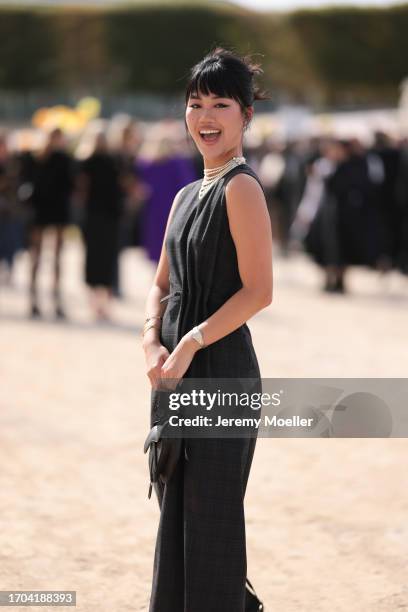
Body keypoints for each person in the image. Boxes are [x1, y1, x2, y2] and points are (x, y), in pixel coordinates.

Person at [142, 47, 273, 611]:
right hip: (173, 374)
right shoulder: (183, 195)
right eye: (195, 103)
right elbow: (161, 282)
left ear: (246, 115)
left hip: (220, 374)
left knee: (212, 528)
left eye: (221, 103)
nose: (205, 116)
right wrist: (151, 337)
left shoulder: (241, 188)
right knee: (176, 520)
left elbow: (259, 291)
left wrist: (191, 341)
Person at [77, 132, 123, 322]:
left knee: (104, 258)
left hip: (105, 216)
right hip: (96, 216)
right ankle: (97, 302)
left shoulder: (112, 161)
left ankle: (102, 303)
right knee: (97, 259)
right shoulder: (88, 162)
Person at [29, 128, 74, 319]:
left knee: (44, 257)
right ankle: (41, 299)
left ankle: (41, 299)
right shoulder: (56, 158)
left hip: (46, 211)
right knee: (45, 257)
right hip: (48, 210)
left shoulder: (38, 157)